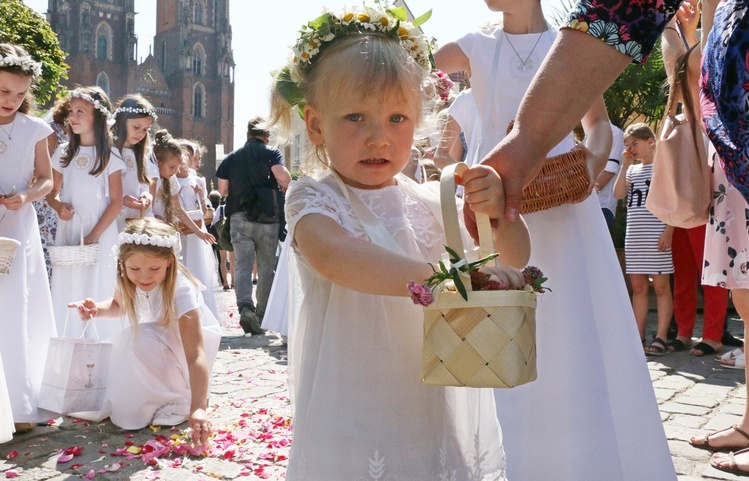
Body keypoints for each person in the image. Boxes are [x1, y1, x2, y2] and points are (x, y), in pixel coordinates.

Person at [268, 6, 533, 479]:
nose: (378, 138)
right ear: (315, 125)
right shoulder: (315, 196)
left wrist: (499, 214)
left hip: (432, 399)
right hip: (353, 401)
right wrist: (446, 279)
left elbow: (509, 261)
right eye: (355, 117)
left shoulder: (434, 199)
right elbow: (334, 255)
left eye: (397, 118)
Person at [434, 2, 676, 480]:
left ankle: (583, 453)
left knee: (572, 327)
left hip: (566, 209)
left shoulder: (570, 45)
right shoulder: (478, 45)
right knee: (498, 324)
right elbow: (433, 60)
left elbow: (598, 127)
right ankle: (516, 455)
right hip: (496, 205)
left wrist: (589, 170)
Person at [67, 217, 220, 441]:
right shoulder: (128, 279)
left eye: (153, 268)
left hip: (182, 354)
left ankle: (177, 399)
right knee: (134, 341)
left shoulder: (181, 290)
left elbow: (196, 354)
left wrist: (199, 408)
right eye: (135, 268)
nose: (144, 276)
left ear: (169, 261)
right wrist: (96, 309)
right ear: (123, 263)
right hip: (155, 346)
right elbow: (119, 305)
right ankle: (153, 396)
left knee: (141, 337)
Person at [660, 4, 729, 357]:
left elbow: (687, 66)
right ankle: (685, 331)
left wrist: (674, 26)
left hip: (712, 192)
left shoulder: (713, 98)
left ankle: (713, 334)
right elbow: (685, 69)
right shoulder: (695, 102)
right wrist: (685, 30)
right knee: (687, 270)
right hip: (689, 190)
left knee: (712, 269)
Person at [0, 43, 58, 434]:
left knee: (13, 309)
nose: (12, 100)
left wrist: (27, 196)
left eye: (21, 94)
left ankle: (18, 406)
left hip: (16, 227)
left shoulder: (35, 129)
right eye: (4, 91)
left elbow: (47, 179)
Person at [46, 86, 125, 341]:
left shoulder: (110, 156)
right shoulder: (63, 152)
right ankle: (68, 340)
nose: (73, 117)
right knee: (70, 283)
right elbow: (52, 192)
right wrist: (59, 207)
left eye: (81, 111)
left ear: (98, 118)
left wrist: (95, 234)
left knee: (98, 282)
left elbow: (116, 201)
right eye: (71, 111)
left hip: (100, 233)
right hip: (71, 230)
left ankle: (99, 340)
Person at [216, 118, 290, 335]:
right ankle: (261, 315)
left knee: (242, 266)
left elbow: (222, 190)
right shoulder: (271, 153)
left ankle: (245, 307)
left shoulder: (232, 157)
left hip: (240, 217)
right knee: (267, 269)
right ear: (266, 136)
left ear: (248, 135)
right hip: (268, 218)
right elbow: (282, 177)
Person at [613, 123, 674, 355]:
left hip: (656, 234)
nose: (631, 149)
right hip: (635, 235)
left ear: (650, 141)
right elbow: (619, 194)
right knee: (638, 287)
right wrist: (624, 165)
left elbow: (671, 202)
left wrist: (669, 231)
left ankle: (661, 336)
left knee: (660, 286)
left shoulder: (663, 168)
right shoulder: (631, 170)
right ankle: (637, 334)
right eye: (628, 146)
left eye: (634, 144)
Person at [174, 150, 217, 315]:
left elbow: (204, 209)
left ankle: (202, 311)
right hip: (179, 231)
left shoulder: (197, 180)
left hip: (195, 234)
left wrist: (200, 194)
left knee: (197, 270)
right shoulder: (171, 179)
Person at [112, 94, 158, 231]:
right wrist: (122, 200)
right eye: (136, 127)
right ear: (122, 122)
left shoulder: (140, 155)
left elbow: (143, 184)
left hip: (135, 221)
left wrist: (146, 195)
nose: (140, 133)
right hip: (112, 219)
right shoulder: (110, 152)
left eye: (145, 129)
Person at [35, 96, 69, 278]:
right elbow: (41, 166)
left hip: (61, 193)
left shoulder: (73, 133)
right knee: (46, 245)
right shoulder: (51, 131)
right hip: (47, 197)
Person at [594, 123, 625, 234]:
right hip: (579, 205)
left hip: (602, 207)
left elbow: (610, 171)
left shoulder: (614, 132)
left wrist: (585, 194)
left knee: (597, 250)